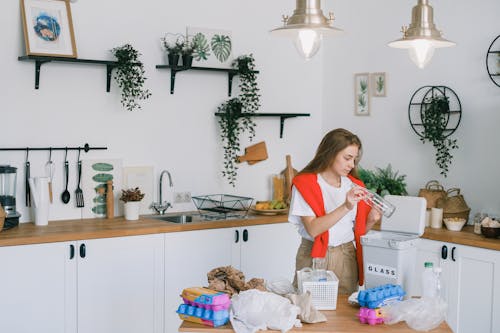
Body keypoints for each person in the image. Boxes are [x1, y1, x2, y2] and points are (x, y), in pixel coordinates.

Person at [289, 128, 381, 295]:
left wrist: (371, 220)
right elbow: (313, 229)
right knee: (309, 309)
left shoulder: (354, 185)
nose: (352, 165)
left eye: (354, 159)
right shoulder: (305, 184)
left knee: (344, 315)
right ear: (330, 153)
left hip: (346, 255)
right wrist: (346, 206)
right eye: (347, 158)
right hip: (314, 256)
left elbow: (355, 232)